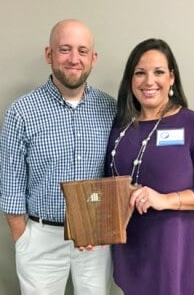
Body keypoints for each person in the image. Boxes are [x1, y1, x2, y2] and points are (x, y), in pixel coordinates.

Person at [105, 38, 194, 295]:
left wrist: (164, 199)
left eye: (159, 72)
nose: (149, 81)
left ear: (172, 78)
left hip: (177, 250)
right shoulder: (120, 128)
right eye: (140, 73)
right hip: (132, 249)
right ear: (130, 80)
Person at [0, 19, 116, 295]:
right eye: (64, 49)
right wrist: (23, 240)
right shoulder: (22, 112)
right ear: (49, 54)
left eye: (82, 51)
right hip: (41, 238)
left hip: (95, 240)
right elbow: (11, 184)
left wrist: (102, 225)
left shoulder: (110, 109)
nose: (74, 59)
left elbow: (118, 174)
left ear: (93, 58)